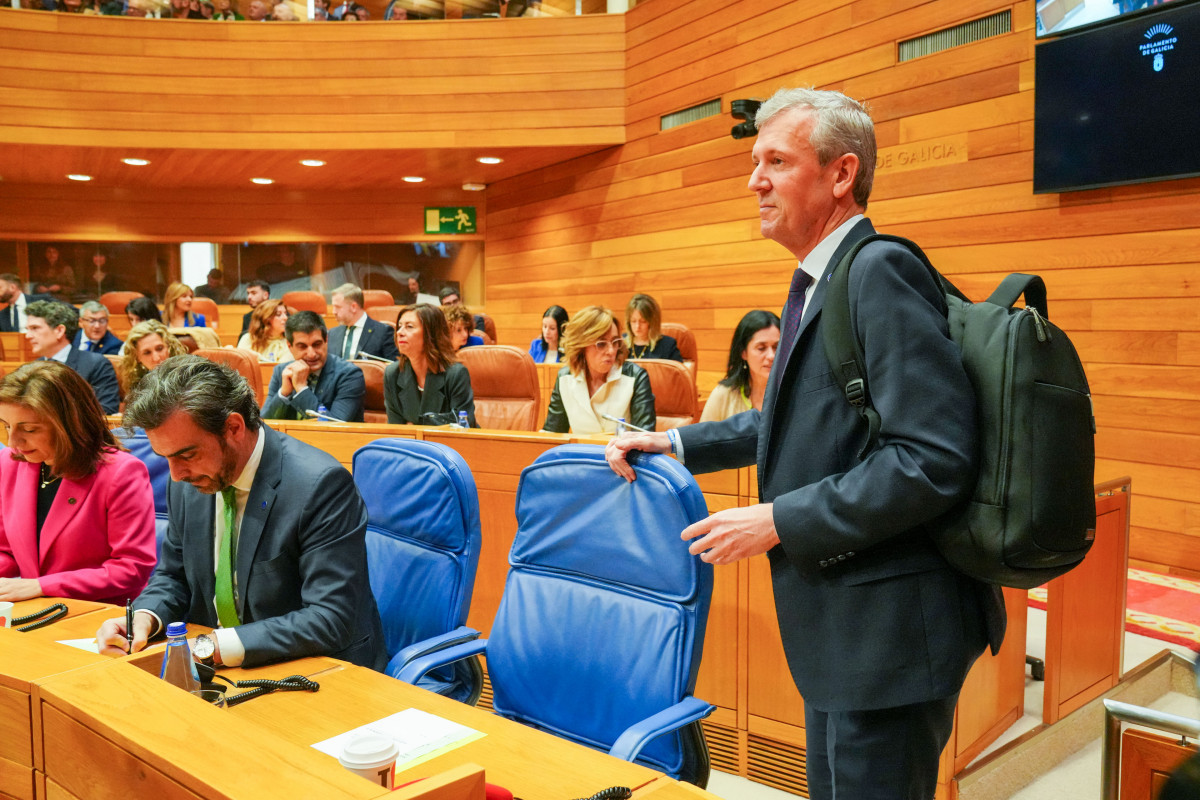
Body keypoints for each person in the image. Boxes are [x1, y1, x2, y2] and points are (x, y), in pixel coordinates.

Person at [606, 88, 1003, 800]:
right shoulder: (827, 279)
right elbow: (799, 420)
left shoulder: (877, 272)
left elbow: (931, 458)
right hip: (847, 633)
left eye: (777, 161)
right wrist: (675, 443)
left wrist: (777, 519)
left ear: (841, 174)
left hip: (888, 643)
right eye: (755, 160)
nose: (752, 179)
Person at [95, 356, 386, 670]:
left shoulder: (319, 485)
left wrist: (215, 646)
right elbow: (173, 575)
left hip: (317, 669)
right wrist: (144, 617)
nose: (175, 474)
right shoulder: (187, 481)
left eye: (187, 454)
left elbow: (330, 617)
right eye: (165, 457)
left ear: (233, 427)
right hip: (220, 665)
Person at [0, 361, 156, 604]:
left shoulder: (121, 473)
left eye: (29, 429)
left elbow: (132, 568)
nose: (12, 442)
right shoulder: (9, 463)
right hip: (31, 610)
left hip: (97, 618)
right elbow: (5, 549)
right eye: (7, 426)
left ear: (67, 425)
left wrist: (41, 586)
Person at [543, 304, 654, 435]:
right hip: (580, 455)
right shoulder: (565, 378)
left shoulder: (635, 377)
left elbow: (645, 440)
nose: (611, 351)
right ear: (581, 346)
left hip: (623, 455)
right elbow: (552, 436)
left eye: (615, 342)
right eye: (601, 344)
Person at [262, 311, 365, 423]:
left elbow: (336, 425)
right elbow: (263, 424)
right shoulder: (281, 371)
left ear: (326, 340)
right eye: (302, 347)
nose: (311, 354)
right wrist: (283, 393)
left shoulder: (349, 374)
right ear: (290, 346)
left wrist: (301, 388)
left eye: (317, 344)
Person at [383, 304, 476, 426]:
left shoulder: (455, 374)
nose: (400, 332)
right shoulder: (392, 374)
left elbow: (463, 426)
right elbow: (397, 431)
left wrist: (413, 424)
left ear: (431, 334)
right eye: (399, 327)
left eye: (409, 327)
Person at [25, 300, 120, 415]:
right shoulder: (32, 368)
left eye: (35, 328)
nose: (28, 336)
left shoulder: (96, 364)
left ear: (59, 331)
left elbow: (107, 409)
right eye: (28, 329)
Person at [699, 310, 780, 422]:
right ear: (744, 353)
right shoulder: (723, 395)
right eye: (761, 348)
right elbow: (704, 438)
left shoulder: (795, 392)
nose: (771, 356)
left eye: (777, 347)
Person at [327, 283, 399, 362]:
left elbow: (393, 367)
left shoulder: (383, 332)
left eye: (338, 307)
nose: (334, 312)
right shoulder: (332, 333)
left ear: (353, 307)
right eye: (333, 307)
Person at [117, 320, 187, 394]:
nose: (156, 358)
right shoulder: (137, 386)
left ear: (169, 346)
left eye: (160, 348)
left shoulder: (188, 375)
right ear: (137, 358)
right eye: (147, 353)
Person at [624, 293, 683, 362]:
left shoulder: (668, 345)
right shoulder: (621, 343)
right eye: (633, 321)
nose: (637, 326)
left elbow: (678, 372)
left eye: (643, 321)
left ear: (652, 322)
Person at [236, 298, 291, 362]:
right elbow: (240, 365)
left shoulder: (289, 342)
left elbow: (280, 369)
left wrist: (257, 357)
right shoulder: (248, 339)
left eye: (286, 314)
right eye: (278, 314)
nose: (285, 318)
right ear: (265, 319)